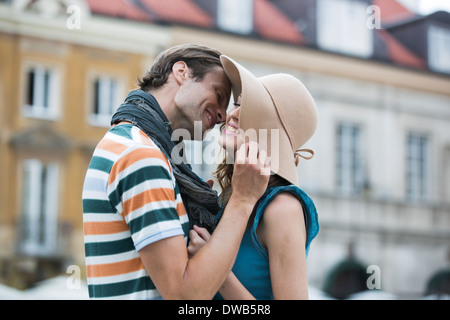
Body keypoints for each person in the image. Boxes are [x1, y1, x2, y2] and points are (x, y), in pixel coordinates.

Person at [82, 44, 270, 299]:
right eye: (218, 93)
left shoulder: (131, 144)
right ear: (181, 72)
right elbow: (184, 296)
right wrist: (242, 200)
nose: (222, 115)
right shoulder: (142, 157)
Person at [188, 55, 320, 300]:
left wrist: (217, 271)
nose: (232, 114)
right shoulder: (231, 198)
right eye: (236, 104)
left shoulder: (283, 208)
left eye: (247, 107)